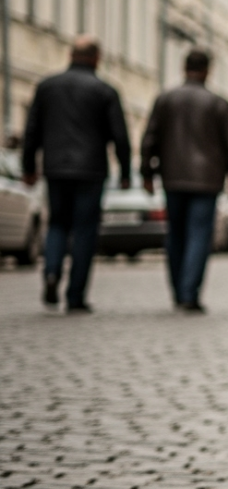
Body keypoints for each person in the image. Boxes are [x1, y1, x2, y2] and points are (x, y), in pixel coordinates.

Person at [21, 35, 132, 313]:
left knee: (57, 223)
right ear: (96, 58)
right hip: (91, 170)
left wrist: (28, 167)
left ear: (70, 55)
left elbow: (31, 130)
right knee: (85, 230)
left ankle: (51, 270)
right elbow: (120, 136)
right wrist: (126, 172)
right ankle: (75, 295)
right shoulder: (105, 91)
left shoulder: (47, 87)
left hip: (56, 168)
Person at [141, 48, 228, 313]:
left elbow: (149, 139)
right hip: (207, 181)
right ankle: (190, 292)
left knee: (175, 233)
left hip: (173, 178)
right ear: (208, 70)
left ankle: (178, 290)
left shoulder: (166, 99)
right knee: (199, 235)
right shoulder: (219, 103)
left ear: (183, 67)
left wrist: (147, 173)